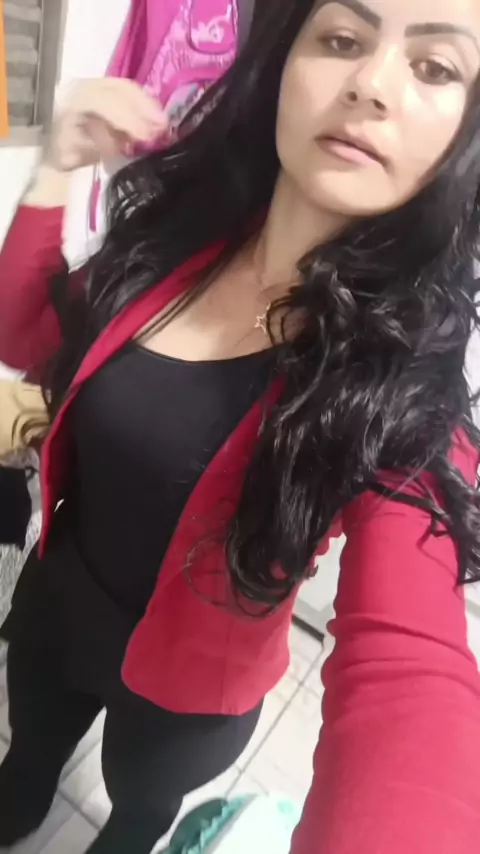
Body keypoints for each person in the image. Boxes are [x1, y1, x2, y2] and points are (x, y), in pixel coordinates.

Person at [1, 0, 480, 852]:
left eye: (435, 67)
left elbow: (412, 672)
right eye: (343, 39)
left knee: (135, 822)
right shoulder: (174, 243)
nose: (370, 84)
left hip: (185, 701)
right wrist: (54, 170)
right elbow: (21, 332)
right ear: (282, 64)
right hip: (57, 610)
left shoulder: (402, 397)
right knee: (21, 774)